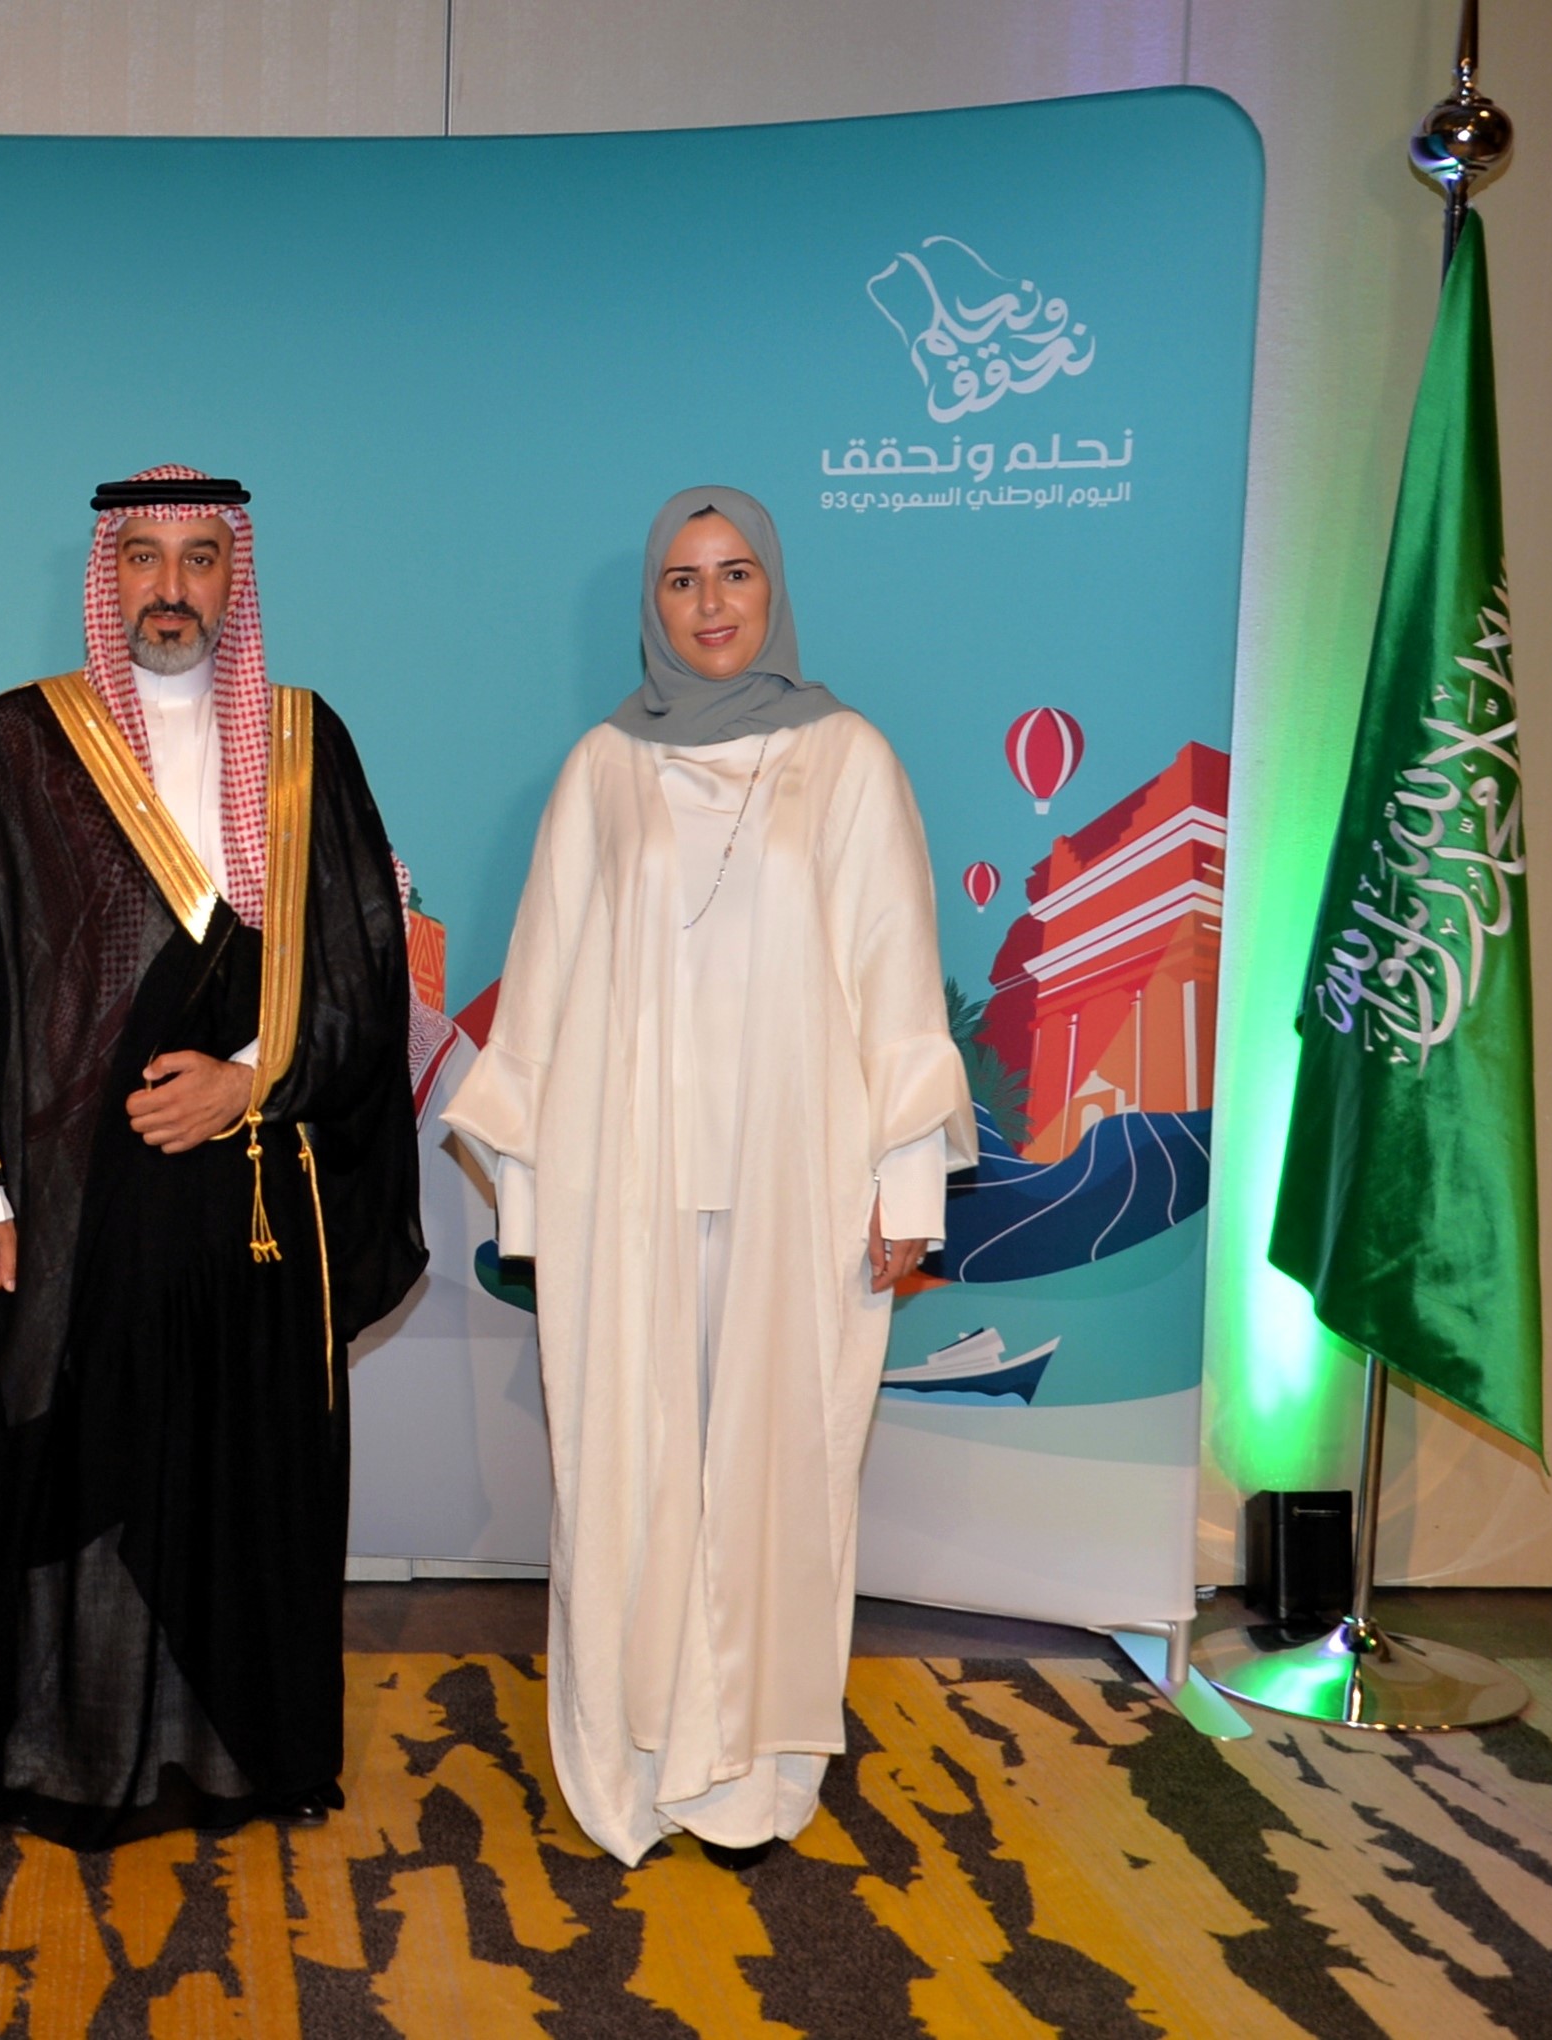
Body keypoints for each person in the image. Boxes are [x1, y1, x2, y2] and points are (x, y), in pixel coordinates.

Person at [443, 487, 973, 1870]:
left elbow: (897, 979)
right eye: (683, 580)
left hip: (801, 1189)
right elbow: (543, 990)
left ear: (773, 589)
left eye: (736, 573)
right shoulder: (601, 771)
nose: (712, 602)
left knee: (783, 1472)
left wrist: (907, 1189)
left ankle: (751, 1768)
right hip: (624, 1189)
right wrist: (536, 1212)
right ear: (654, 605)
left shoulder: (849, 759)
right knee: (623, 1468)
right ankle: (628, 1757)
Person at [0, 466, 431, 1848]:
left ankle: (250, 1753)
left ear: (234, 576)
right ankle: (75, 1762)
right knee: (88, 1461)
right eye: (142, 556)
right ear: (108, 574)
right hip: (81, 1199)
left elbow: (364, 969)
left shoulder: (307, 743)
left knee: (245, 1470)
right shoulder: (21, 740)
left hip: (258, 1181)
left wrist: (251, 1081)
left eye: (200, 558)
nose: (170, 587)